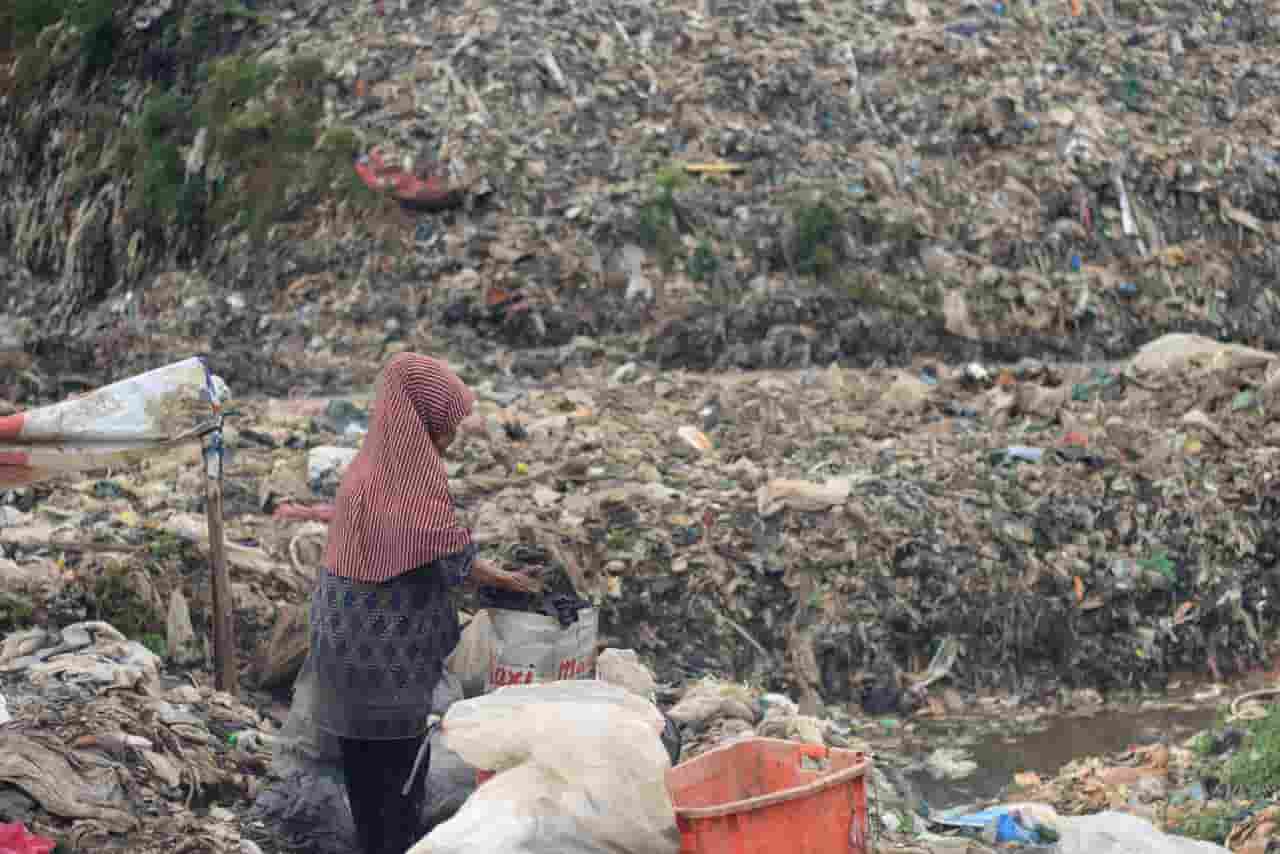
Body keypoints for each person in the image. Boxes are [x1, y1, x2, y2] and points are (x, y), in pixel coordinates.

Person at [308, 352, 541, 854]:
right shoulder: (408, 474)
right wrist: (502, 580)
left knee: (366, 771)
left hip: (345, 643)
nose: (452, 437)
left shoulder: (372, 460)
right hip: (382, 653)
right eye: (446, 425)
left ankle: (377, 841)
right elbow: (441, 547)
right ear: (421, 418)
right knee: (398, 773)